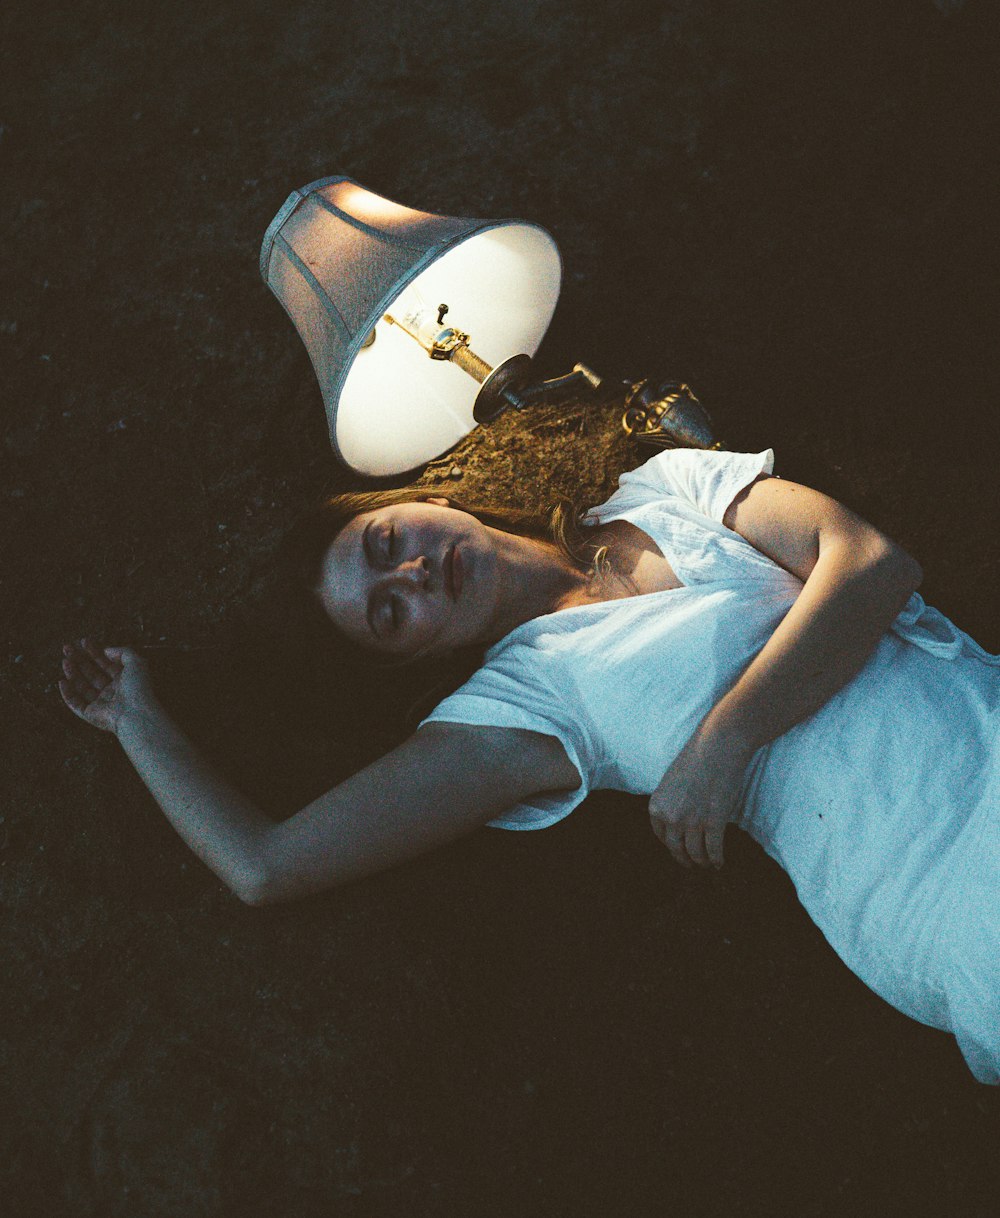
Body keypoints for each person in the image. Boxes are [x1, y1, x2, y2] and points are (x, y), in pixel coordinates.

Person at [59, 448, 999, 1083]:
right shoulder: (519, 709)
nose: (413, 574)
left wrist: (724, 744)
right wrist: (136, 719)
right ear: (417, 661)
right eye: (391, 612)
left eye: (388, 542)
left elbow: (870, 562)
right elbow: (267, 866)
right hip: (923, 888)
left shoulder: (665, 487)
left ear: (419, 499)